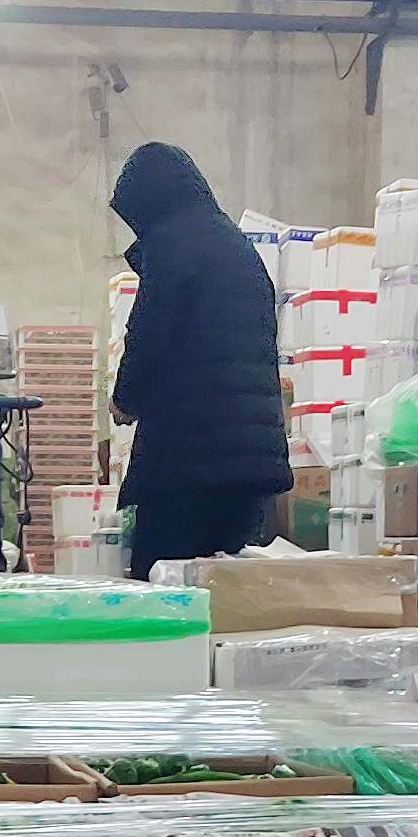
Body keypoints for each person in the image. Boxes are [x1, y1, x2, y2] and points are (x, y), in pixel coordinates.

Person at [108, 142, 291, 578]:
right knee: (227, 591)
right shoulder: (238, 248)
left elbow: (149, 334)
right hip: (250, 463)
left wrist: (125, 399)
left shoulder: (173, 246)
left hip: (189, 464)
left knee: (164, 587)